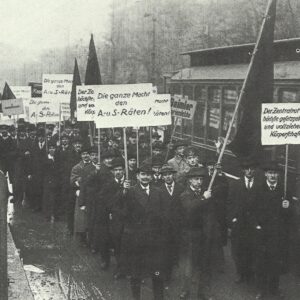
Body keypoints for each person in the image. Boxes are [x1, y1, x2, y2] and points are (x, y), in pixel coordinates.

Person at [119, 163, 165, 300]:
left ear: (152, 176)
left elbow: (163, 215)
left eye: (148, 175)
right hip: (136, 239)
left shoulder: (158, 192)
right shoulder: (130, 191)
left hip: (154, 239)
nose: (146, 177)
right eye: (143, 174)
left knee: (157, 273)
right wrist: (124, 192)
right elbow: (121, 210)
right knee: (136, 274)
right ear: (137, 176)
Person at [254, 161, 296, 300]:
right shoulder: (258, 189)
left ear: (278, 175)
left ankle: (274, 287)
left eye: (275, 173)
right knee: (261, 261)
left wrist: (287, 206)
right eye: (270, 173)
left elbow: (291, 215)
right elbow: (253, 209)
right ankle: (260, 289)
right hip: (263, 231)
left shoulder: (284, 191)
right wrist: (257, 225)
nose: (272, 175)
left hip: (277, 233)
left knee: (275, 261)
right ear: (266, 174)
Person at [178, 167, 218, 300]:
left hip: (205, 234)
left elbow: (211, 213)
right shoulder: (185, 194)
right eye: (196, 179)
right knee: (189, 266)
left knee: (204, 264)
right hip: (191, 235)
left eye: (201, 179)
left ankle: (203, 292)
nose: (199, 181)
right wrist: (203, 198)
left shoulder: (207, 193)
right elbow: (189, 209)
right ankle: (185, 290)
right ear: (190, 180)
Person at [228, 159, 259, 284]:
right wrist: (232, 219)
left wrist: (258, 222)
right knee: (238, 249)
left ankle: (250, 274)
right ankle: (240, 273)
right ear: (243, 170)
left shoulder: (259, 184)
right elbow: (229, 203)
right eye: (247, 169)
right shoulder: (236, 184)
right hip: (239, 223)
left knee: (251, 248)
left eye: (252, 168)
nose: (249, 171)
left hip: (253, 224)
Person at [160, 164, 184, 286]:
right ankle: (166, 276)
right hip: (164, 228)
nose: (168, 177)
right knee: (166, 252)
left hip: (178, 226)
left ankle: (182, 276)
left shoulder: (181, 188)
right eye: (165, 175)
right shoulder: (158, 190)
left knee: (179, 250)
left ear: (173, 175)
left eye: (169, 174)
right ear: (162, 177)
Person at [70, 146, 95, 242]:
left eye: (88, 154)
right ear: (81, 156)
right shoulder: (77, 167)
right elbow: (72, 181)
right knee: (81, 217)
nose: (86, 156)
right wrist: (79, 182)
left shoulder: (94, 166)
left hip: (90, 192)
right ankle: (81, 235)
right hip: (80, 192)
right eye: (83, 154)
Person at [42, 142, 59, 222]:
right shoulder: (45, 159)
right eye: (50, 148)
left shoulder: (57, 158)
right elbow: (43, 171)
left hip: (56, 181)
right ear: (48, 150)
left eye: (53, 148)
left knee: (55, 199)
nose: (52, 150)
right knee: (47, 199)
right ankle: (47, 215)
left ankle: (55, 214)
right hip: (47, 181)